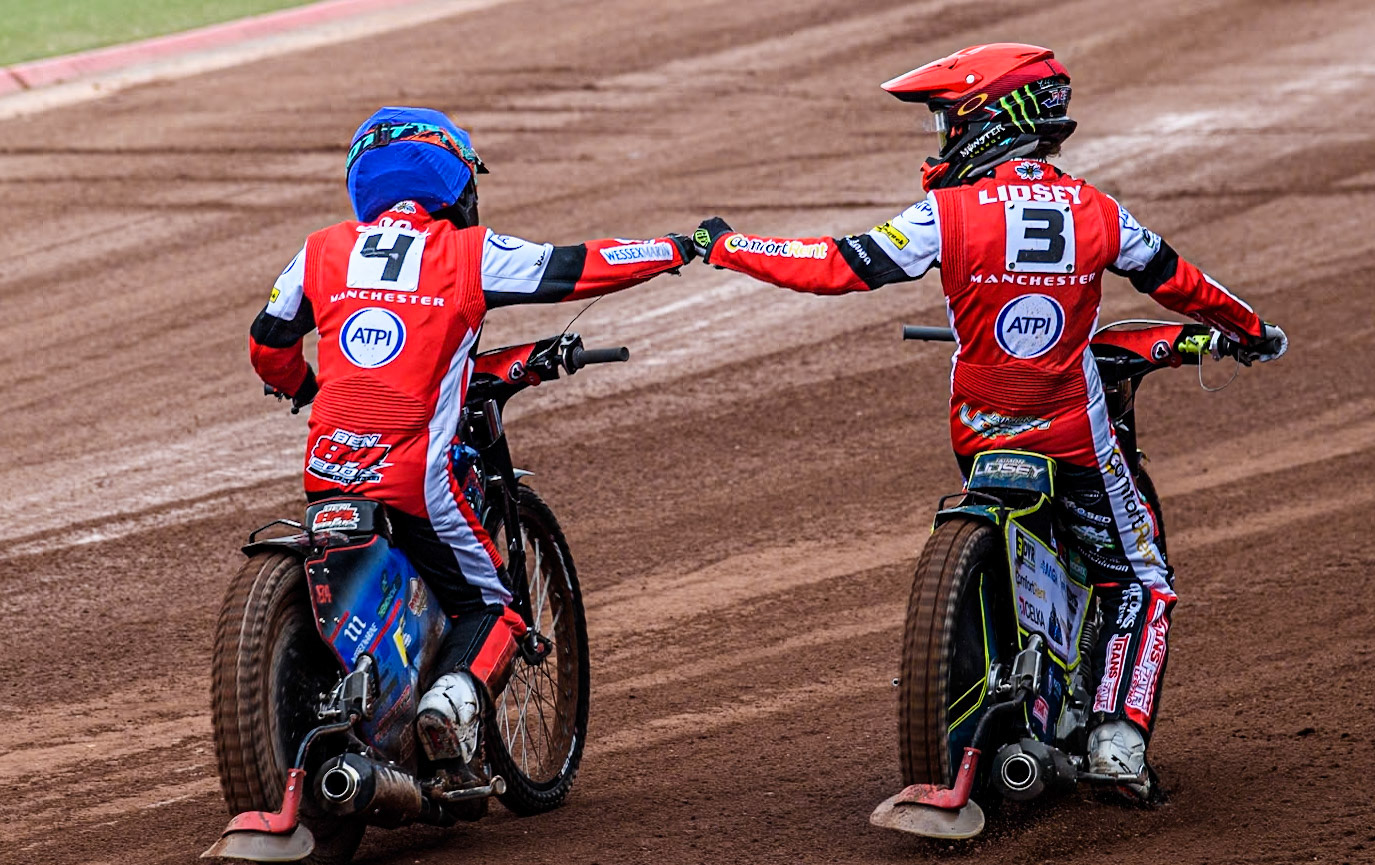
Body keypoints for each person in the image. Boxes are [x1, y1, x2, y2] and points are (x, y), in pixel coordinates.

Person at [690, 44, 1287, 799]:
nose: (940, 140)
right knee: (1139, 579)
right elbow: (1181, 283)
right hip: (1070, 430)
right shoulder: (1098, 211)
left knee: (1068, 534)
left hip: (978, 429)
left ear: (986, 119)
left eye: (946, 121)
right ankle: (1114, 742)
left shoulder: (945, 212)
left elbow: (837, 264)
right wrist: (1251, 328)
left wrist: (731, 245)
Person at [249, 106, 694, 783]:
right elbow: (575, 269)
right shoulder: (467, 251)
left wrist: (307, 388)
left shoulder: (319, 250)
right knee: (497, 607)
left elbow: (268, 343)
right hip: (415, 477)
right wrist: (675, 247)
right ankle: (444, 706)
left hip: (326, 470)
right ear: (455, 185)